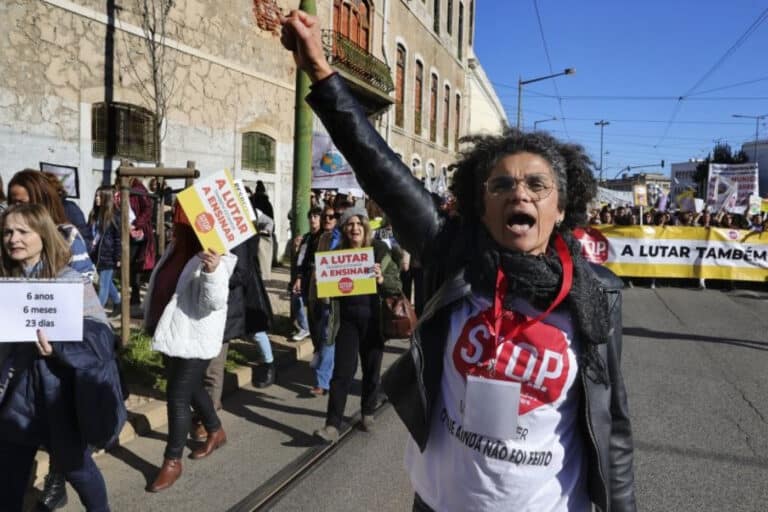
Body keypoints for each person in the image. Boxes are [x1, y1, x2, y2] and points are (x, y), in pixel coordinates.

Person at [281, 11, 635, 511]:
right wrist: (321, 71)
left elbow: (613, 426)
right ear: (481, 205)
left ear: (561, 207)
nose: (520, 194)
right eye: (502, 184)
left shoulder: (597, 295)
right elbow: (380, 169)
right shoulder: (454, 257)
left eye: (537, 185)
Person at [0, 203, 124, 512]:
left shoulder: (68, 280)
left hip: (59, 396)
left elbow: (100, 337)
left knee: (77, 469)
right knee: (9, 476)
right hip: (16, 396)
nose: (13, 239)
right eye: (7, 232)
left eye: (22, 231)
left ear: (43, 234)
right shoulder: (4, 281)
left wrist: (58, 346)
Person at [143, 204, 236, 492]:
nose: (175, 222)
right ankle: (215, 430)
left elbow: (214, 302)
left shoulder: (218, 257)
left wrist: (212, 271)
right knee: (192, 388)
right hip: (171, 333)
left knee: (177, 395)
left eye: (181, 219)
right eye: (177, 217)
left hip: (195, 338)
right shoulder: (176, 248)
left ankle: (172, 461)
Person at [313, 206, 402, 443]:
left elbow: (396, 285)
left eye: (358, 223)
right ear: (344, 229)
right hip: (347, 322)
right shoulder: (337, 254)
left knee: (371, 371)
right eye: (349, 224)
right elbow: (326, 294)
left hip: (374, 321)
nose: (354, 228)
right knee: (341, 373)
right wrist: (323, 287)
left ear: (365, 226)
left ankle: (367, 411)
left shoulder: (379, 250)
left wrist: (381, 279)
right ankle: (332, 425)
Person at [8, 169, 96, 282]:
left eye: (22, 203)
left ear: (42, 202)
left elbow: (84, 281)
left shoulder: (66, 236)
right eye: (13, 203)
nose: (16, 210)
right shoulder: (7, 237)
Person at [290, 206, 322, 341]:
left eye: (316, 217)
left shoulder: (325, 236)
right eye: (311, 217)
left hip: (319, 277)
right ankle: (305, 327)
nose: (313, 220)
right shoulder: (307, 237)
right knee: (296, 297)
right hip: (306, 275)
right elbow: (301, 259)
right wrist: (296, 247)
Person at [88, 186, 122, 313]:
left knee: (103, 285)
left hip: (108, 255)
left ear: (107, 198)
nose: (97, 198)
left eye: (100, 196)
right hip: (96, 255)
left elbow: (118, 239)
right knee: (107, 282)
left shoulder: (114, 216)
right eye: (96, 196)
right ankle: (118, 303)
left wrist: (118, 257)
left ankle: (96, 313)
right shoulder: (94, 214)